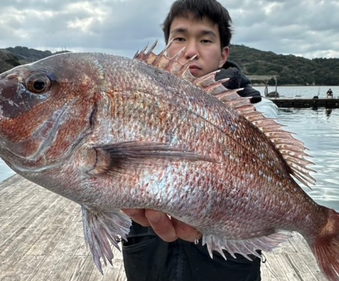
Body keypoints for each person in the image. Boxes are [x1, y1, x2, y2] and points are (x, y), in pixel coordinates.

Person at [121, 1, 276, 280]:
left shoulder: (255, 111)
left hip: (227, 262)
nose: (190, 51)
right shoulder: (132, 100)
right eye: (179, 38)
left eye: (205, 39)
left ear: (223, 55)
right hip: (148, 256)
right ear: (166, 47)